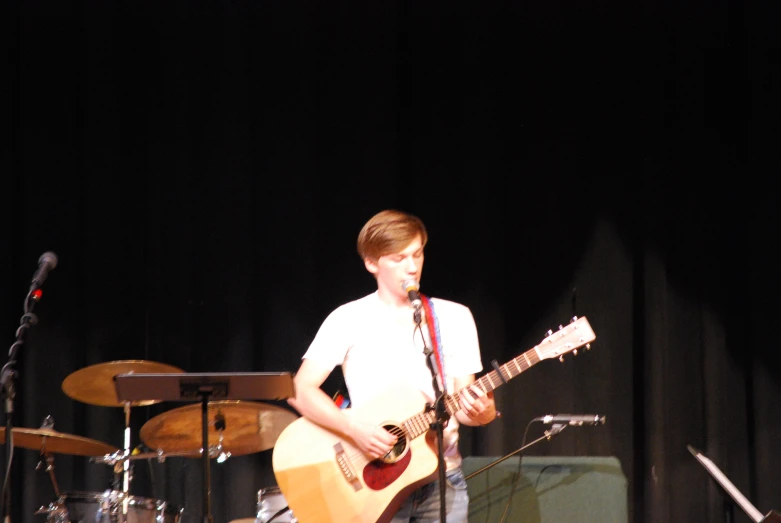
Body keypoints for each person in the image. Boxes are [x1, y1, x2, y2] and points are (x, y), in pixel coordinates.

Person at [287, 209, 498, 523]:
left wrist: (483, 412)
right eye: (398, 258)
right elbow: (299, 391)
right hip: (373, 480)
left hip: (442, 479)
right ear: (372, 263)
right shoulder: (348, 318)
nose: (412, 267)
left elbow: (465, 404)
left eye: (417, 254)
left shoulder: (455, 317)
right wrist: (354, 430)